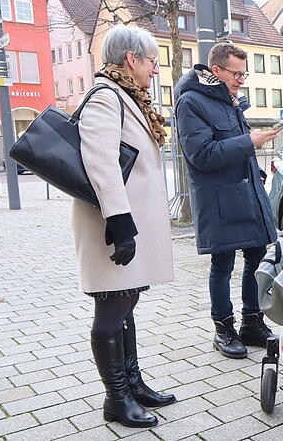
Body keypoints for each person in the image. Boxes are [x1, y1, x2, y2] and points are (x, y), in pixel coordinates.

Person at [73, 25, 176, 428]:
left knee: (126, 299)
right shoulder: (105, 97)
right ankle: (116, 398)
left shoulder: (126, 96)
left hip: (125, 219)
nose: (154, 69)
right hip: (113, 222)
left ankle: (133, 383)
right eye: (151, 61)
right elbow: (101, 162)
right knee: (112, 306)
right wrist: (120, 223)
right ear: (131, 59)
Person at [174, 43, 278, 359]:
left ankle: (252, 322)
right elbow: (202, 155)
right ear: (216, 71)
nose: (241, 80)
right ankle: (223, 329)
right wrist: (250, 141)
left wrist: (256, 169)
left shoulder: (229, 100)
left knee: (257, 255)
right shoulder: (191, 102)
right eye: (236, 73)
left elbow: (229, 145)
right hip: (218, 200)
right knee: (222, 264)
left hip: (245, 193)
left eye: (244, 74)